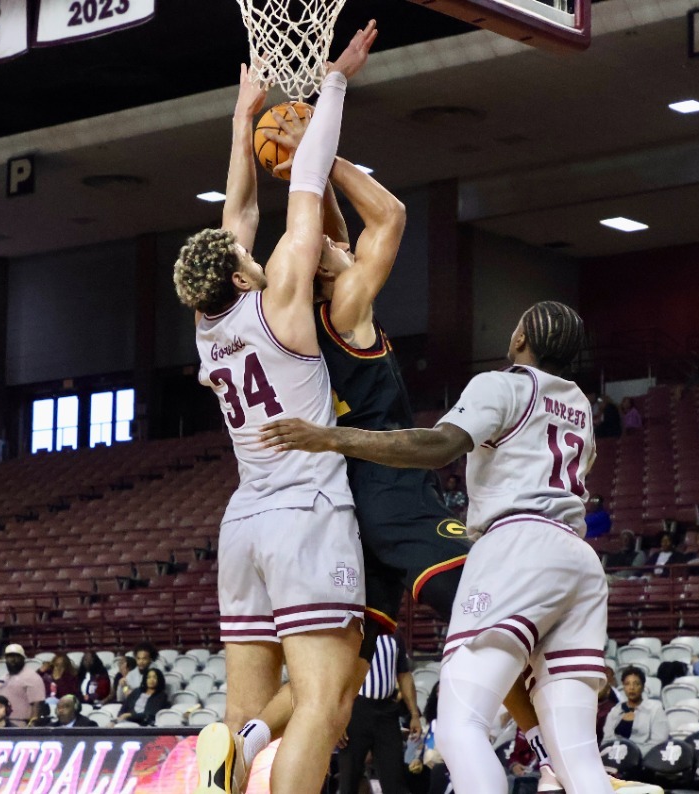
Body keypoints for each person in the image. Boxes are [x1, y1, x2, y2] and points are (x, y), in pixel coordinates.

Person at [194, 65, 580, 794]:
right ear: (325, 270)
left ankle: (247, 736)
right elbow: (388, 218)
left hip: (300, 509)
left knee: (334, 684)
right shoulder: (345, 306)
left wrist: (263, 134)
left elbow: (261, 221)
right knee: (484, 602)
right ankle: (541, 746)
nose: (345, 248)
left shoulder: (251, 317)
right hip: (375, 488)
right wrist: (317, 139)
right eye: (336, 253)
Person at [261, 301, 614, 794]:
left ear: (518, 340)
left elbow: (438, 446)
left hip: (519, 545)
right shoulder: (578, 403)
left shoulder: (503, 383)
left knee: (459, 727)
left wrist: (330, 438)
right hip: (579, 559)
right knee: (576, 752)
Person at [176, 23, 379, 794]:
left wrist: (241, 123)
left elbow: (236, 216)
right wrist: (335, 82)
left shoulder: (209, 326)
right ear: (239, 267)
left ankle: (237, 754)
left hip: (244, 523)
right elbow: (301, 189)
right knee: (324, 706)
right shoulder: (283, 302)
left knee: (249, 710)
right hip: (305, 511)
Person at [339, 634, 421, 794]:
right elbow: (335, 675)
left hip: (387, 713)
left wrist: (414, 714)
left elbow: (404, 675)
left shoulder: (396, 635)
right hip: (355, 711)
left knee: (395, 780)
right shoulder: (352, 629)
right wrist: (337, 718)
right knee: (348, 781)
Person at [602, 667, 668, 753]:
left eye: (636, 684)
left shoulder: (655, 709)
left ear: (643, 686)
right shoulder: (616, 710)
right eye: (627, 684)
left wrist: (632, 753)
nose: (631, 688)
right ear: (623, 686)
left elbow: (658, 742)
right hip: (615, 756)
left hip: (643, 759)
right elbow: (606, 741)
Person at [0, 644, 45, 725]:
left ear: (23, 658)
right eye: (9, 657)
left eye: (16, 656)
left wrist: (31, 727)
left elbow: (37, 705)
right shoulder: (1, 679)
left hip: (22, 729)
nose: (13, 660)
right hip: (1, 729)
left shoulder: (32, 677)